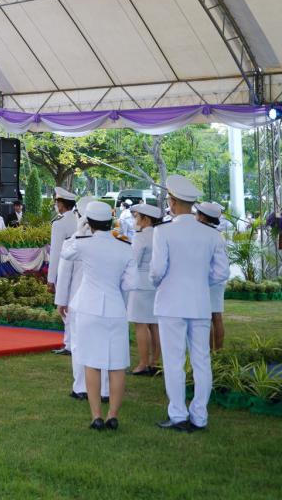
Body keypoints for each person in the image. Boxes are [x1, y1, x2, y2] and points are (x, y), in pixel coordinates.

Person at [151, 175, 229, 432]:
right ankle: (200, 416)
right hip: (199, 303)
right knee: (201, 360)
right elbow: (222, 272)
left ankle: (178, 414)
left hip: (171, 303)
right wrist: (200, 283)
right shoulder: (212, 234)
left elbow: (157, 270)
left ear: (173, 202)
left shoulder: (163, 231)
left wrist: (160, 283)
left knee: (174, 361)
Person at [60, 201, 137, 430]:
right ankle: (113, 415)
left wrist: (79, 230)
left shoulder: (84, 244)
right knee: (116, 365)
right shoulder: (125, 246)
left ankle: (96, 416)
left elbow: (65, 252)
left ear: (89, 222)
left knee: (91, 363)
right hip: (115, 309)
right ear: (110, 222)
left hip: (89, 309)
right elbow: (131, 283)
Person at [56, 195, 109, 400]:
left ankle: (81, 387)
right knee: (104, 345)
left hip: (79, 299)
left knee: (79, 344)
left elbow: (65, 273)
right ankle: (104, 389)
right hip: (106, 302)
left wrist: (61, 301)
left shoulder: (75, 243)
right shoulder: (116, 243)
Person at [128, 202, 163, 376]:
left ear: (146, 219)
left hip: (141, 284)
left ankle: (143, 363)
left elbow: (133, 261)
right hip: (156, 285)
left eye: (138, 217)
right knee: (155, 325)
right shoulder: (160, 234)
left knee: (141, 324)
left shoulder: (141, 237)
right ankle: (155, 362)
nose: (135, 220)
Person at [195, 201, 230, 352]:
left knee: (207, 318)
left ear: (203, 217)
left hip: (209, 280)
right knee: (217, 316)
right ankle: (218, 352)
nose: (195, 216)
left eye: (197, 214)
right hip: (217, 281)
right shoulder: (216, 234)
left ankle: (209, 352)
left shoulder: (202, 234)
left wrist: (205, 282)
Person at [47, 187, 78, 355]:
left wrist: (50, 279)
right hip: (80, 269)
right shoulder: (78, 219)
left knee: (64, 307)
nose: (56, 206)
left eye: (57, 202)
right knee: (74, 306)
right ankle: (72, 343)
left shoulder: (59, 223)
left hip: (65, 268)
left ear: (61, 204)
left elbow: (55, 252)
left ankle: (69, 344)